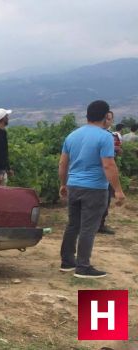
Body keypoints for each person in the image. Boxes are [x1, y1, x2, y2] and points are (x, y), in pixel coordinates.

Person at [59, 100, 125, 278]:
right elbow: (109, 165)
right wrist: (118, 190)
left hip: (74, 185)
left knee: (73, 225)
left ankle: (67, 261)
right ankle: (83, 266)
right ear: (105, 117)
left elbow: (63, 163)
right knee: (88, 227)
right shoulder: (104, 137)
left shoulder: (72, 136)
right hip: (95, 189)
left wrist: (63, 184)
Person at [98, 120, 123, 234]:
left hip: (105, 175)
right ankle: (95, 225)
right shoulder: (103, 136)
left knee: (105, 200)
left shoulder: (111, 135)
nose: (109, 121)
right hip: (99, 173)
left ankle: (100, 224)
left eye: (111, 119)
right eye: (107, 118)